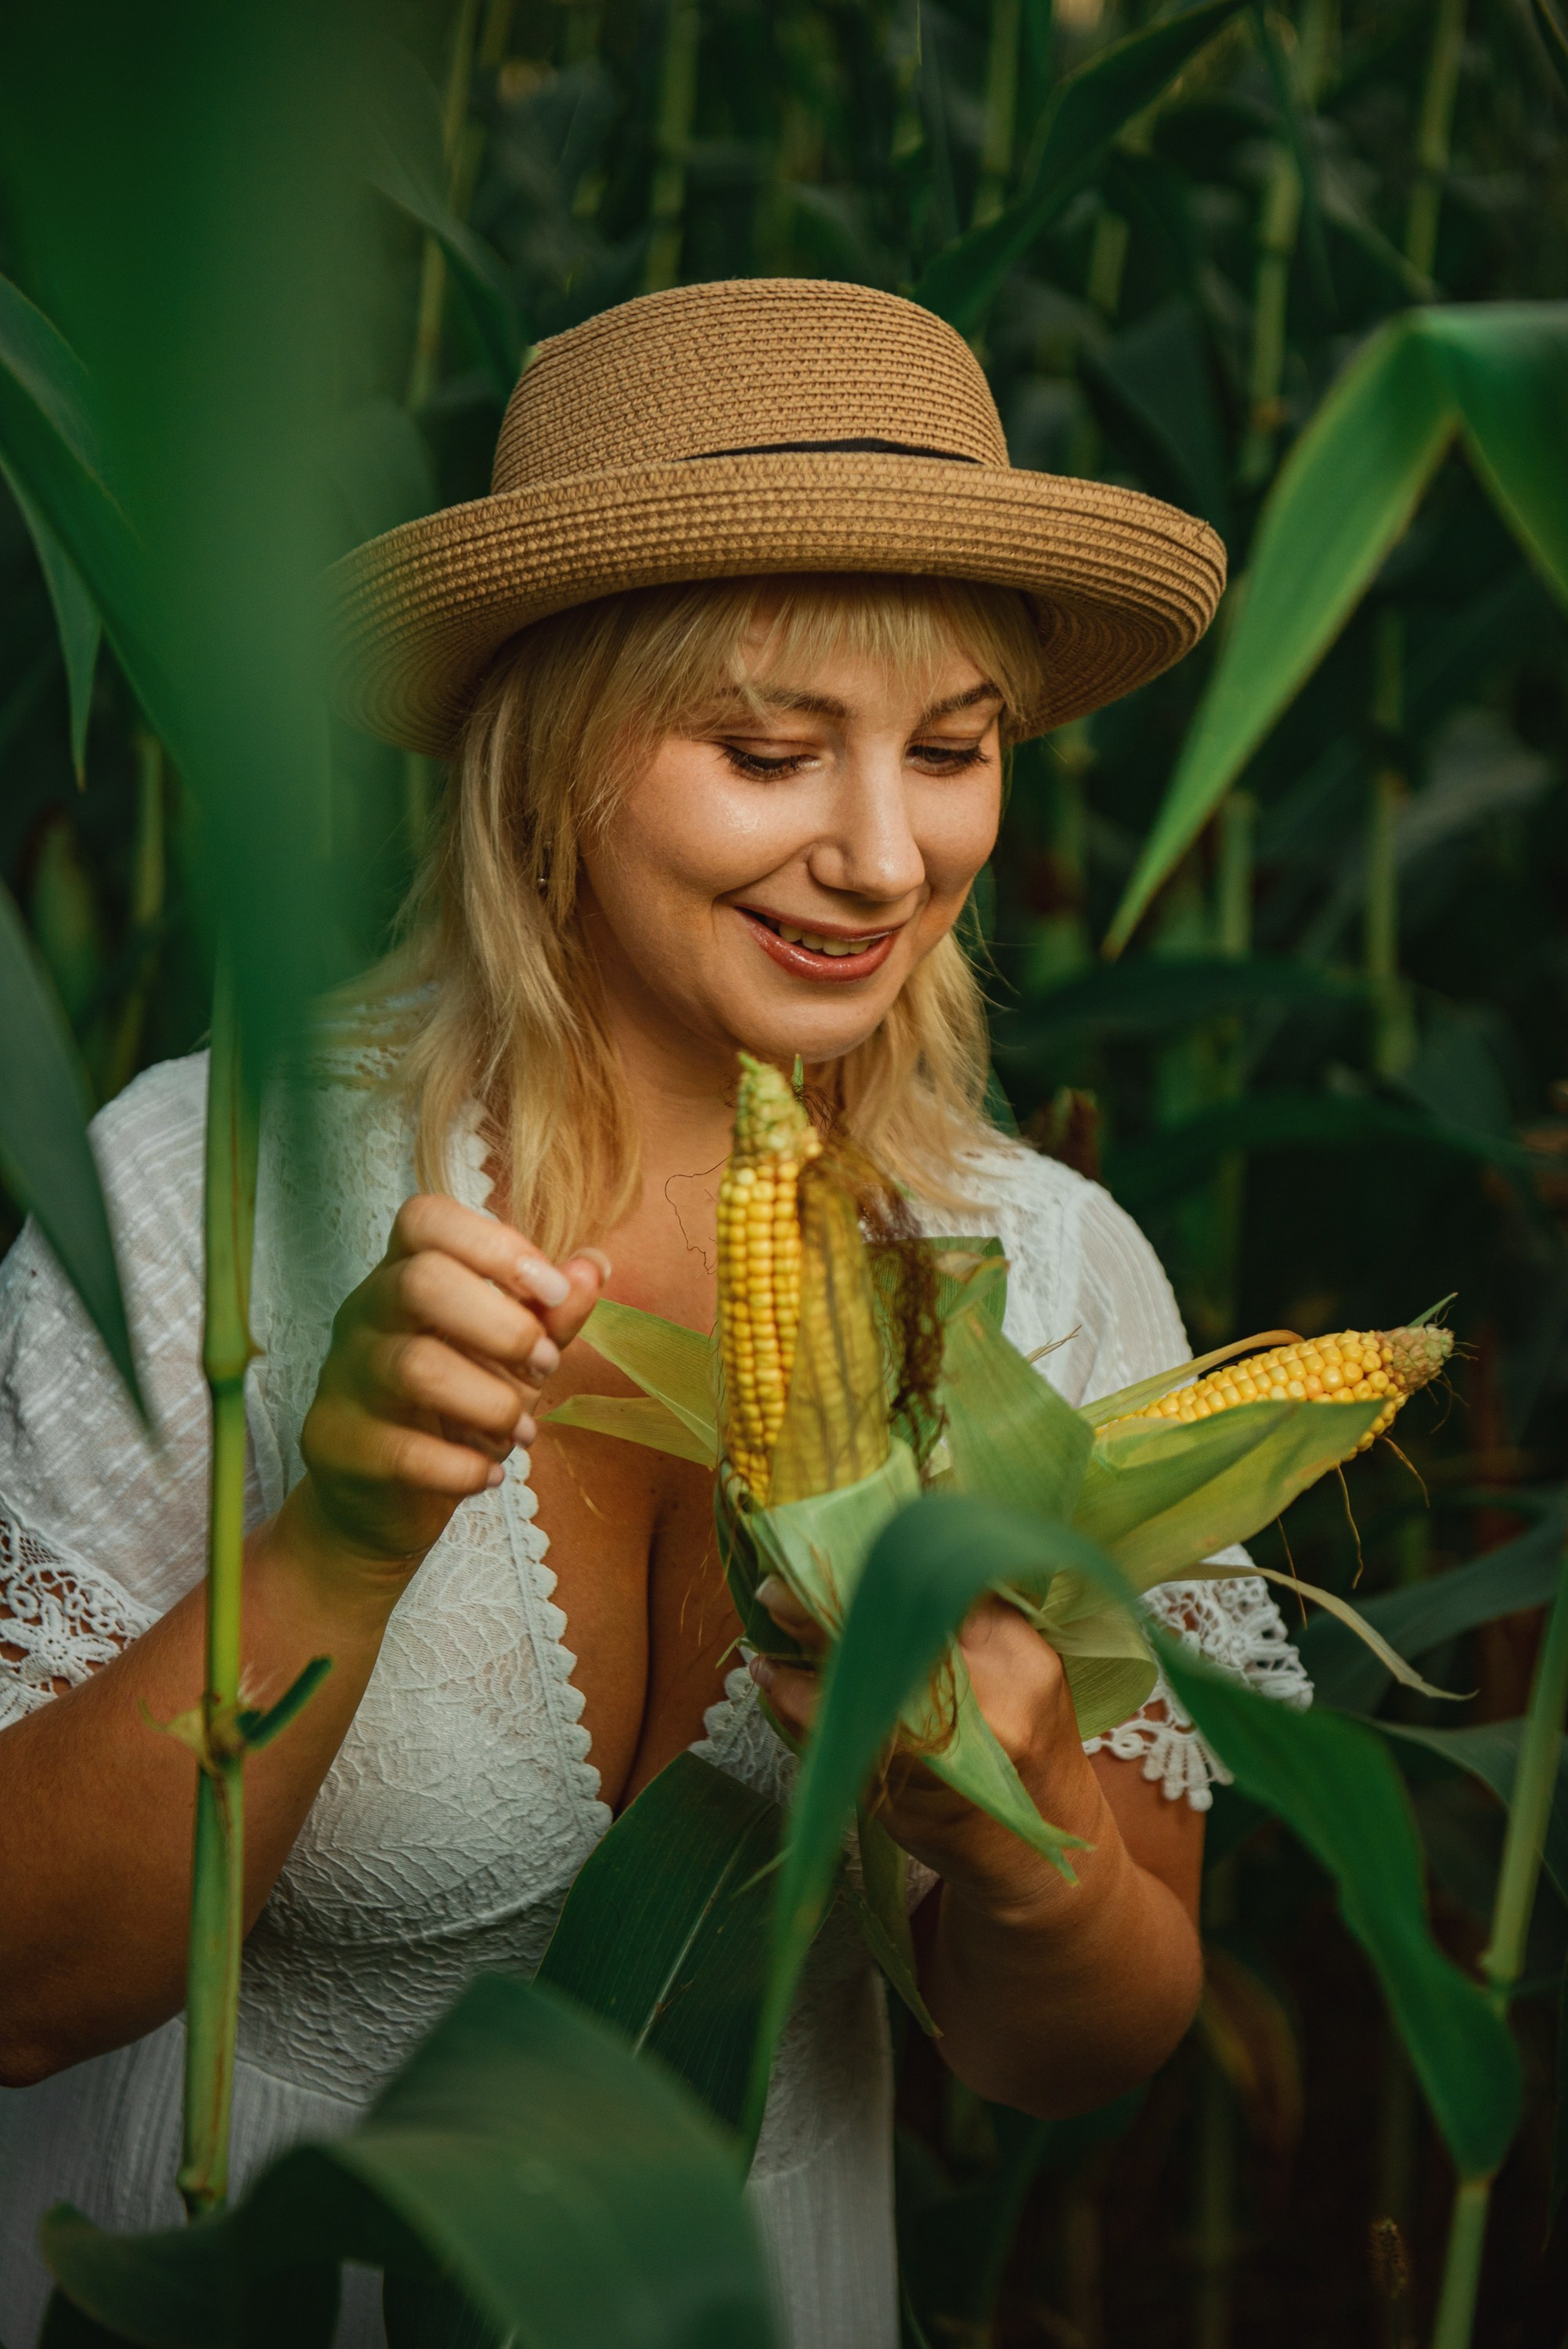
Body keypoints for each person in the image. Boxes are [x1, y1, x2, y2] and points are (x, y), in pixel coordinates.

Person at [0, 279, 1310, 2347]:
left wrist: (1021, 1827)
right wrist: (333, 1533)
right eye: (767, 749)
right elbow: (15, 1987)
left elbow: (1079, 2045)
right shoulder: (201, 1203)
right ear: (543, 764)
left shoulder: (1051, 1275)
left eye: (951, 751)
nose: (884, 856)